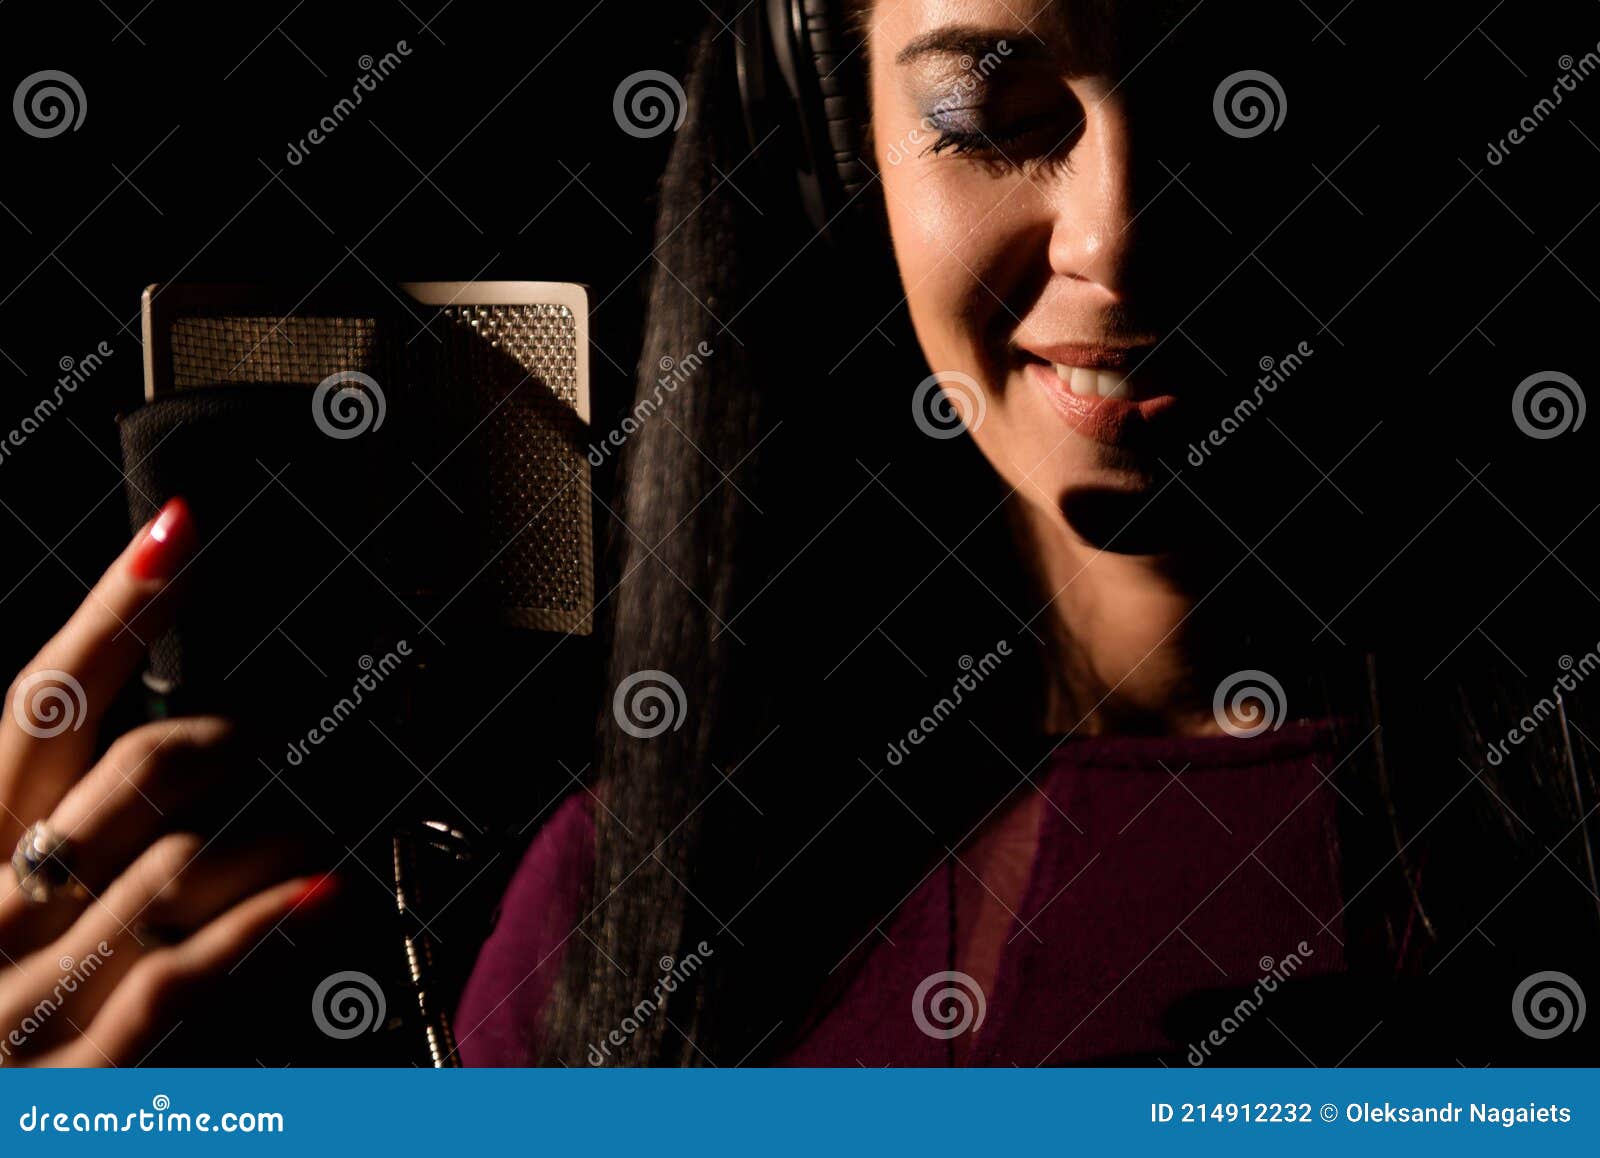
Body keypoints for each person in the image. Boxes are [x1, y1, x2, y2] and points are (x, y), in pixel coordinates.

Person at [3, 0, 1596, 1067]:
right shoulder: (614, 903)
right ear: (846, 147)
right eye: (988, 106)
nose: (1125, 231)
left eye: (1243, 88)